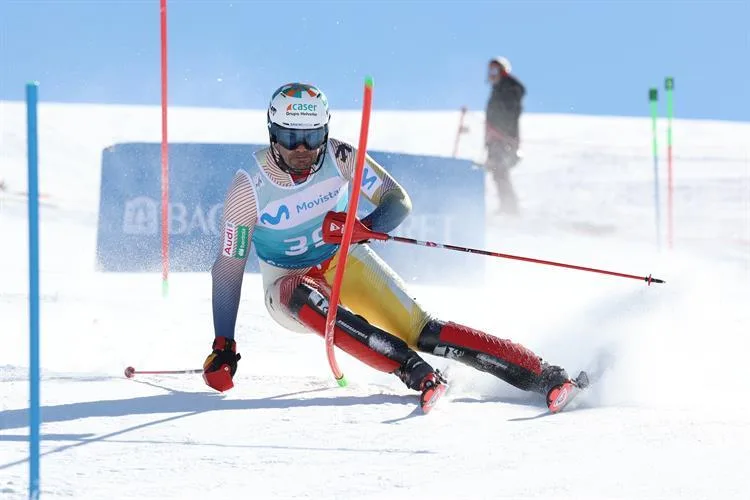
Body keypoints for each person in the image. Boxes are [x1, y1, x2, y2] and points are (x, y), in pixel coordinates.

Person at [202, 82, 585, 413]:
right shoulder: (248, 186)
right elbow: (228, 268)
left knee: (424, 330)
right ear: (272, 134)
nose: (301, 149)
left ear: (326, 132)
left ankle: (543, 375)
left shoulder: (340, 157)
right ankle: (415, 372)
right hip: (286, 282)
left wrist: (361, 229)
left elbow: (397, 200)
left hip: (342, 259)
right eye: (289, 138)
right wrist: (224, 345)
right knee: (296, 293)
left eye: (312, 136)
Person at [485, 56, 526, 215]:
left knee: (500, 171)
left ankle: (510, 209)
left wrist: (503, 133)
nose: (491, 74)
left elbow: (510, 112)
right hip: (496, 139)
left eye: (495, 70)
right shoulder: (497, 90)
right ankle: (507, 207)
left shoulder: (508, 88)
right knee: (498, 172)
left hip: (503, 140)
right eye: (489, 70)